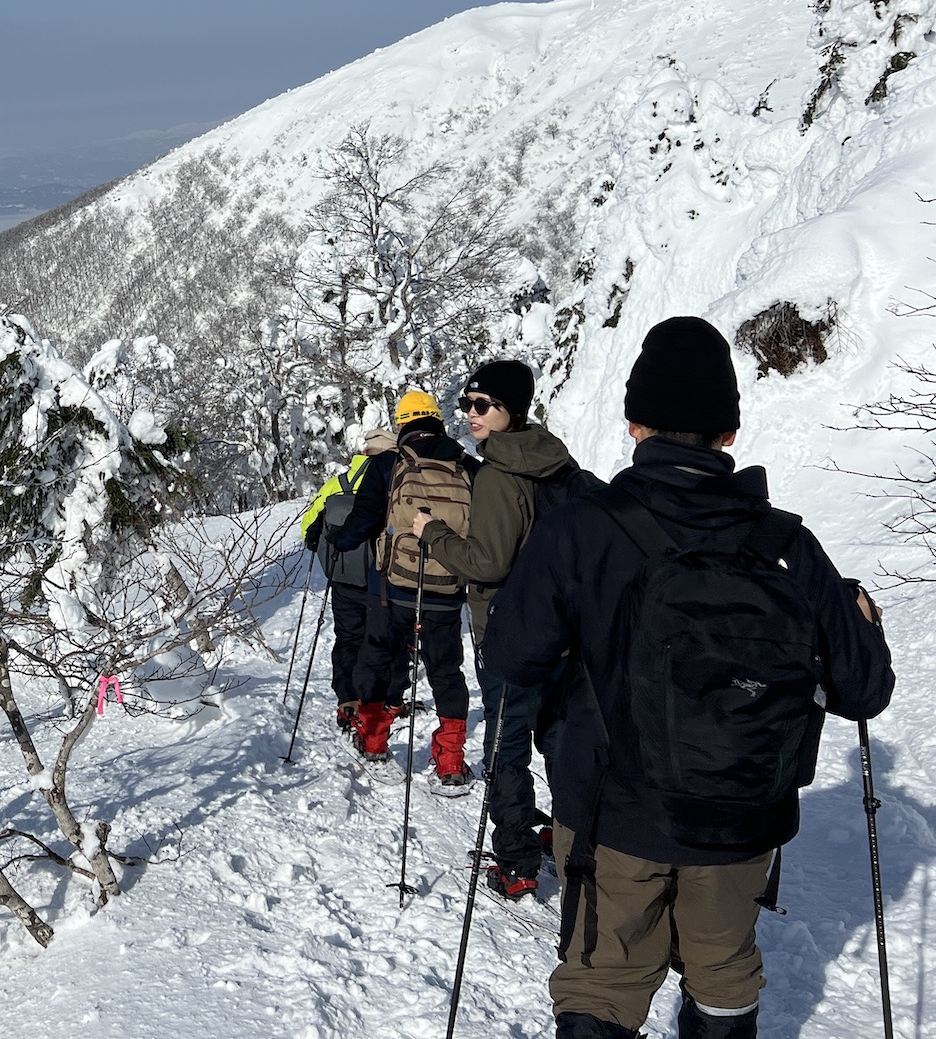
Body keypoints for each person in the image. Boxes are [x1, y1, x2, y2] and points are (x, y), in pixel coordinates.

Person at [484, 317, 894, 1039]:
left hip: (612, 814)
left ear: (634, 423)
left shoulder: (583, 527)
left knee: (602, 982)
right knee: (723, 975)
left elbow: (513, 657)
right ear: (728, 435)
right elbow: (862, 692)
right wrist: (861, 621)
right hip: (739, 823)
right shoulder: (786, 545)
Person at [412, 358, 586, 900]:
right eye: (465, 404)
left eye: (482, 405)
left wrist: (432, 533)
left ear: (510, 410)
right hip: (566, 633)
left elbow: (486, 563)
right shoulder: (559, 464)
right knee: (559, 740)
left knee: (506, 747)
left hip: (510, 633)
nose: (470, 415)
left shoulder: (498, 475)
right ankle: (569, 839)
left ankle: (516, 861)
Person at [329, 389, 476, 789]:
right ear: (437, 420)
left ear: (402, 425)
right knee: (447, 672)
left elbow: (363, 522)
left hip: (393, 589)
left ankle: (373, 742)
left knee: (376, 660)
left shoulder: (389, 464)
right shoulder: (466, 464)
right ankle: (449, 762)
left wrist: (338, 541)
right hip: (446, 591)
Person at [300, 429, 398, 735]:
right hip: (382, 577)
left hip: (342, 578)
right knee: (385, 639)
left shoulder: (337, 484)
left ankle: (347, 700)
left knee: (348, 638)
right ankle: (387, 699)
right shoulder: (395, 481)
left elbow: (308, 530)